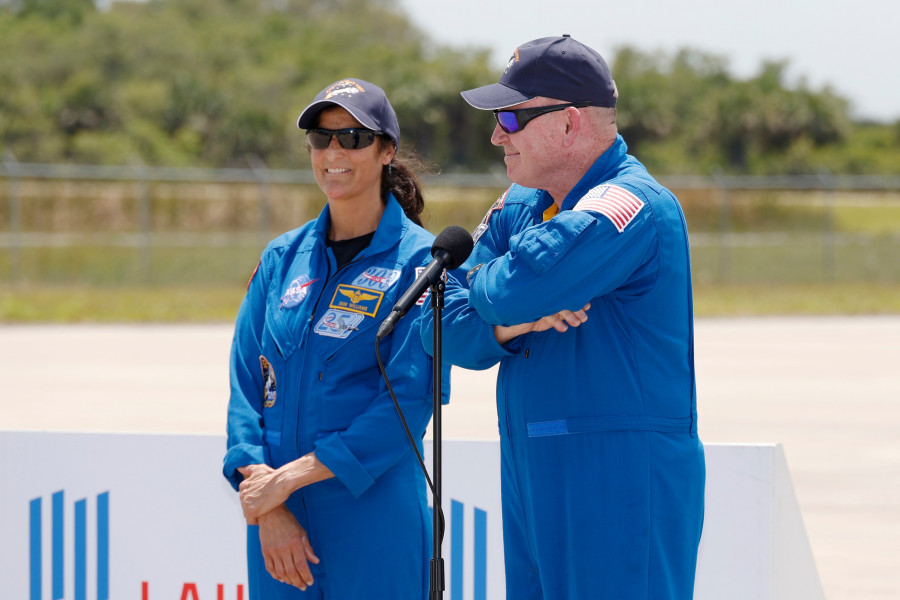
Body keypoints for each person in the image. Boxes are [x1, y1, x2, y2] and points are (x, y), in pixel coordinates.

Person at [421, 35, 706, 599]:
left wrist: (499, 293)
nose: (497, 133)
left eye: (511, 116)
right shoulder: (521, 204)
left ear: (569, 123)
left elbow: (506, 287)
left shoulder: (632, 204)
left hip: (616, 475)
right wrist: (511, 322)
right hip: (531, 465)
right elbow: (442, 326)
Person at [224, 78, 445, 599]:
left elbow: (410, 399)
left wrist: (291, 478)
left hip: (372, 514)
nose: (333, 152)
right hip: (279, 523)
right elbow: (245, 383)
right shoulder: (283, 256)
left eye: (352, 137)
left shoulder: (422, 261)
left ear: (386, 151)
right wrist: (270, 502)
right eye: (321, 139)